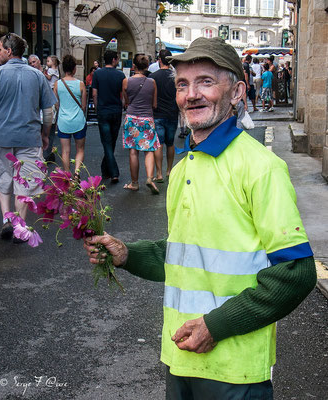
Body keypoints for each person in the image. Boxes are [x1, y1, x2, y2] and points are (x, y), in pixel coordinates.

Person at [84, 37, 316, 399]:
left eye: (205, 81)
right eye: (182, 84)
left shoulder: (261, 167)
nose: (191, 94)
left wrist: (216, 325)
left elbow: (296, 272)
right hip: (180, 357)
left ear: (237, 91)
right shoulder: (182, 167)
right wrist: (126, 254)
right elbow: (182, 254)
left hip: (236, 371)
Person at [0, 33, 57, 242]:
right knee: (26, 181)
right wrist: (46, 134)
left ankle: (6, 219)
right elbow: (48, 112)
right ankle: (20, 225)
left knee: (3, 177)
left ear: (9, 51)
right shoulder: (37, 75)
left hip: (1, 137)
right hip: (30, 137)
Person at [122, 54, 160, 194]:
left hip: (132, 117)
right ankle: (150, 178)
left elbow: (126, 101)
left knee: (133, 151)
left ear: (133, 66)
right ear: (147, 66)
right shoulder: (152, 82)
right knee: (149, 150)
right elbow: (154, 104)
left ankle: (134, 183)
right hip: (147, 118)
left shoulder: (126, 81)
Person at [92, 50, 125, 183]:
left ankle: (106, 170)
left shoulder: (97, 74)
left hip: (103, 110)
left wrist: (97, 107)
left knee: (107, 142)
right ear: (113, 60)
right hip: (116, 110)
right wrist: (122, 106)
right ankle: (113, 172)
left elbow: (94, 93)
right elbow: (122, 94)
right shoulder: (120, 75)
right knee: (111, 141)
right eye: (117, 59)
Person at [53, 55, 87, 178]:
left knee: (65, 151)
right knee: (80, 149)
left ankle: (67, 176)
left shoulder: (57, 84)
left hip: (63, 121)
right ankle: (77, 173)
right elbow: (83, 106)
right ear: (74, 69)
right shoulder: (81, 84)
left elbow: (56, 104)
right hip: (78, 120)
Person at [150, 49, 179, 182]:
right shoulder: (175, 76)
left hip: (158, 113)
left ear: (159, 60)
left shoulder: (153, 76)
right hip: (172, 112)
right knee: (170, 143)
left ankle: (159, 173)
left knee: (159, 144)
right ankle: (170, 170)